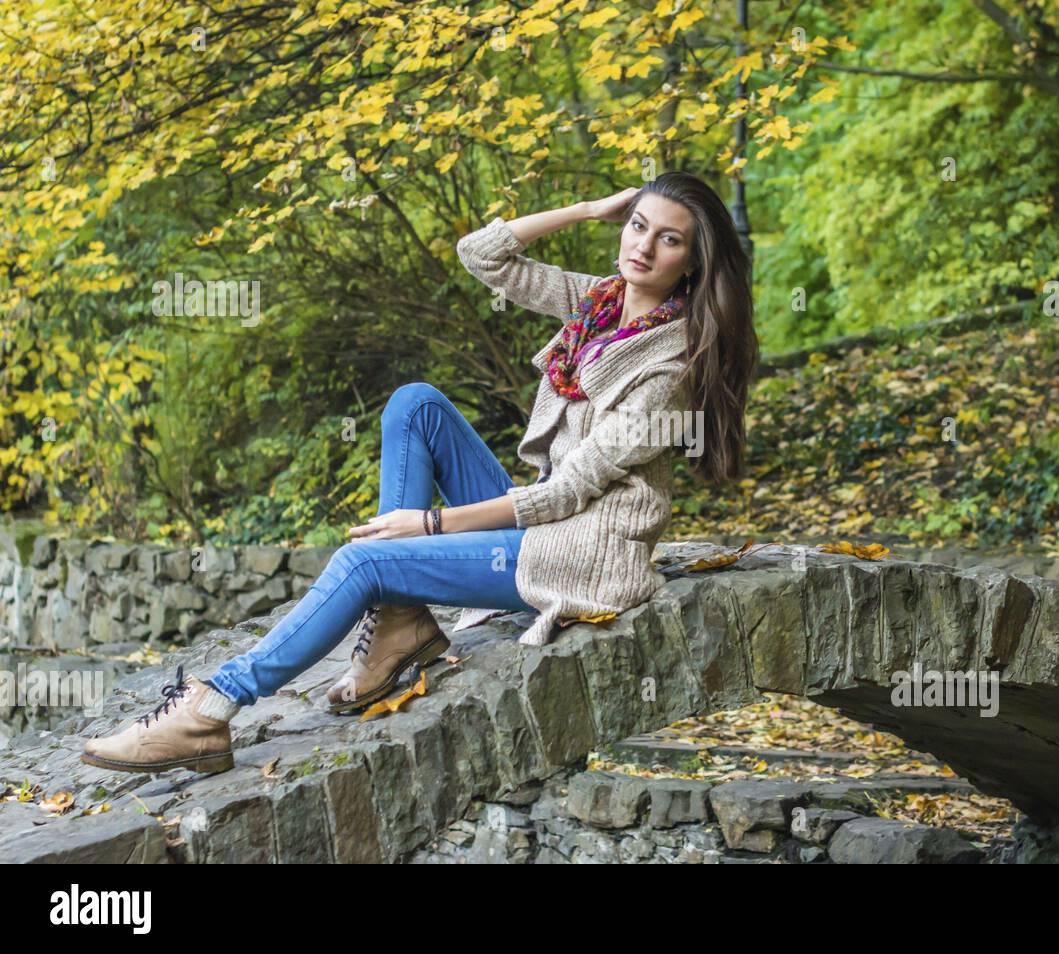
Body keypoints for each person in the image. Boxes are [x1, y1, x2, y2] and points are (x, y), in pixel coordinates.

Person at [81, 171, 757, 774]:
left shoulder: (669, 369)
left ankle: (209, 711)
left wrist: (426, 523)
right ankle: (401, 625)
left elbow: (565, 494)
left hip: (579, 554)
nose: (642, 245)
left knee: (364, 561)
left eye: (669, 240)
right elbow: (482, 255)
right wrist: (588, 210)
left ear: (694, 264)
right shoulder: (598, 304)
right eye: (638, 224)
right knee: (416, 405)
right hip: (541, 528)